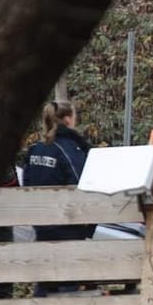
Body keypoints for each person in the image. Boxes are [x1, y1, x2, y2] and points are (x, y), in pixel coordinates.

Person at [21, 101, 95, 242]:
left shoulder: (35, 148)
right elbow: (80, 181)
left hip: (40, 222)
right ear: (67, 119)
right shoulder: (70, 149)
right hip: (67, 223)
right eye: (74, 117)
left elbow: (26, 182)